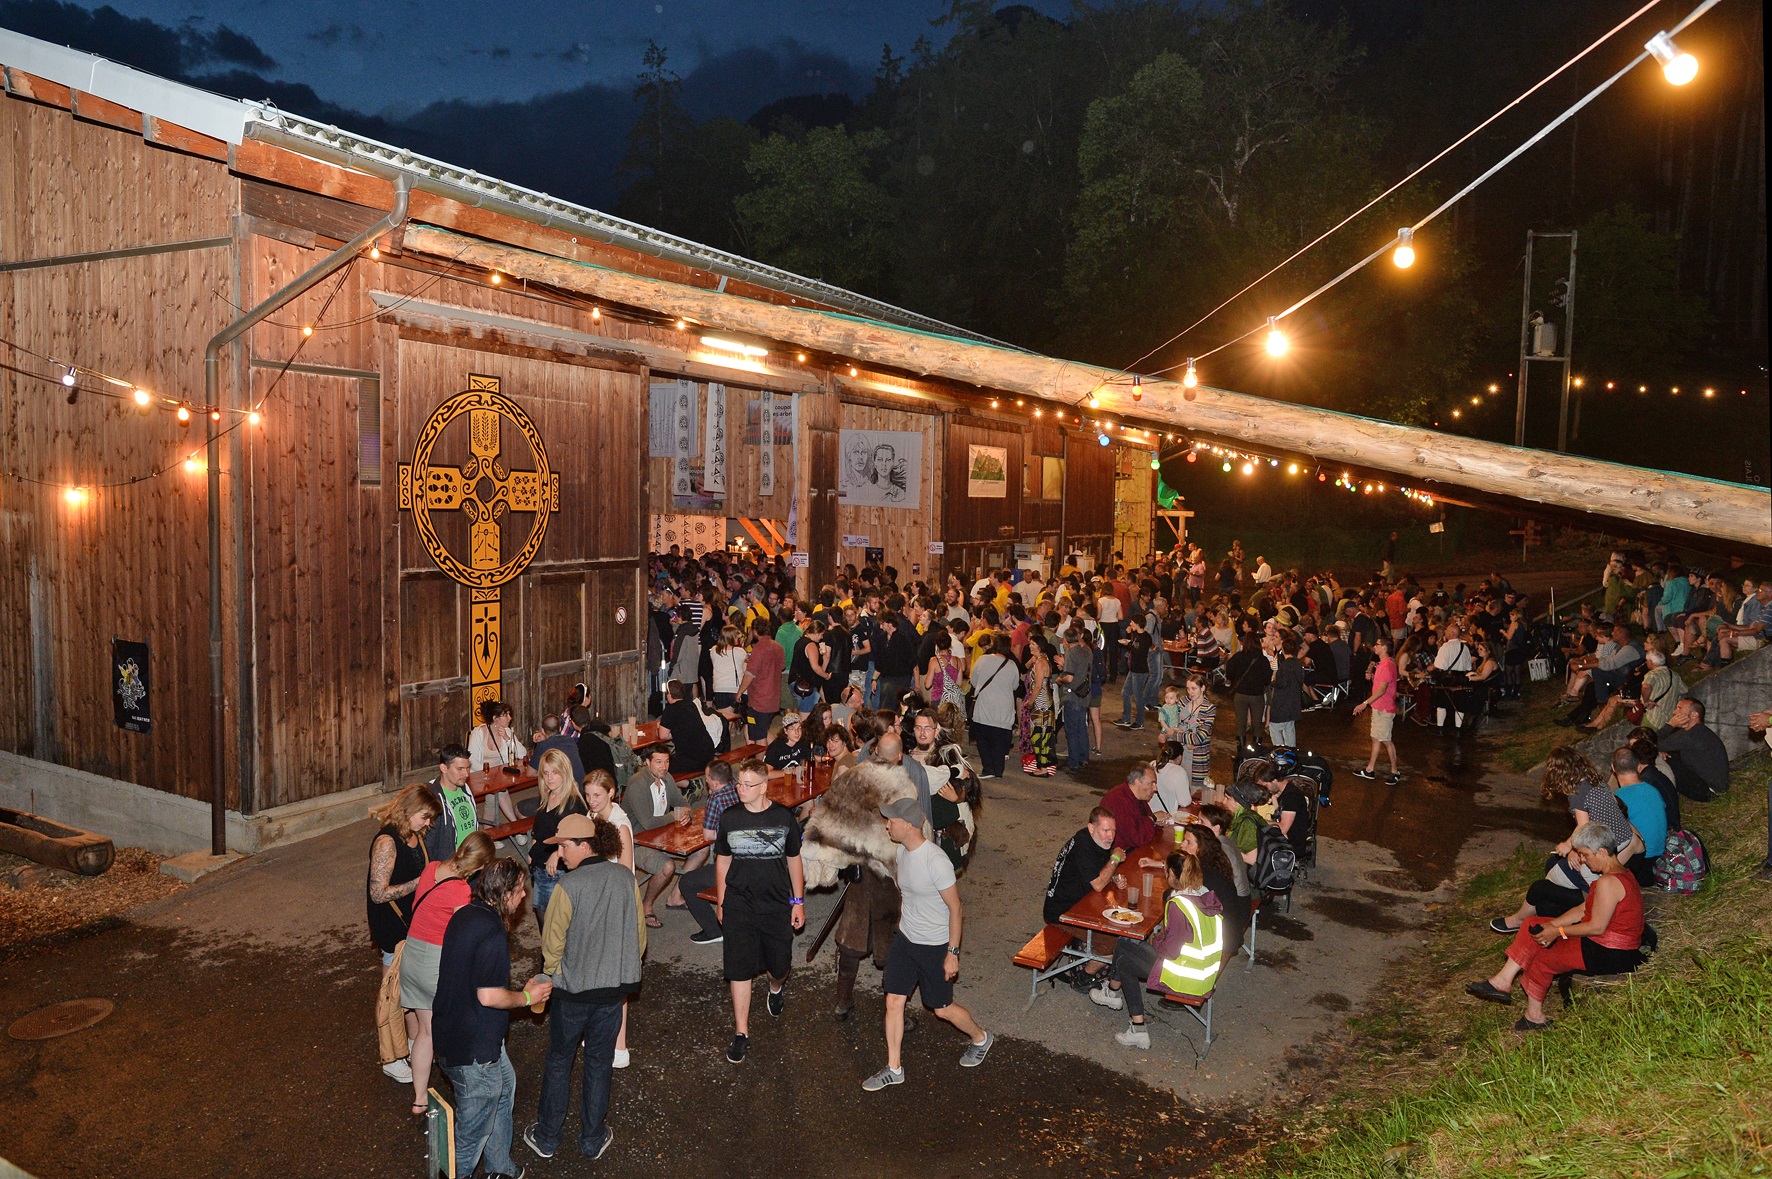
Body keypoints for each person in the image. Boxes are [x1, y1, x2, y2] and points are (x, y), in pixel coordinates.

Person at [523, 815, 642, 1164]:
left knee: (560, 1060)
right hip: (611, 991)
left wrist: (549, 978)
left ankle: (547, 1137)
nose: (560, 852)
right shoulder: (625, 878)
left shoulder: (568, 887)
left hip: (572, 993)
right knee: (598, 1062)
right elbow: (638, 936)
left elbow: (552, 945)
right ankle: (591, 1139)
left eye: (564, 845)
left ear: (584, 845)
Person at [861, 797, 994, 1090]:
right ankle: (894, 1068)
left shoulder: (936, 861)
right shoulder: (903, 852)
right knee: (893, 1000)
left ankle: (981, 1038)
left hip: (935, 946)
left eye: (891, 821)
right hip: (907, 941)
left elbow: (956, 908)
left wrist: (952, 953)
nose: (887, 825)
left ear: (907, 825)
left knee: (941, 1009)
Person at [433, 858, 552, 1178]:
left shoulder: (465, 914)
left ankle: (500, 1168)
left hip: (456, 1031)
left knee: (504, 1090)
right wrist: (528, 998)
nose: (524, 896)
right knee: (472, 1132)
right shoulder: (492, 933)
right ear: (505, 894)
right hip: (473, 1051)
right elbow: (489, 995)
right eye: (519, 891)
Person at [1466, 821, 1645, 1031]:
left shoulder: (1608, 883)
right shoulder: (1620, 874)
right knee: (1533, 924)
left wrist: (1557, 931)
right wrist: (1551, 925)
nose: (1582, 860)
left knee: (1542, 956)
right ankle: (1503, 981)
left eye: (1585, 855)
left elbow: (1597, 927)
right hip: (1605, 943)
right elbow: (1581, 910)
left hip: (1610, 951)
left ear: (1602, 852)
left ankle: (1534, 1016)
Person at [715, 757, 806, 1064]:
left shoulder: (783, 817)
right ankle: (741, 1032)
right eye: (739, 783)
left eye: (747, 784)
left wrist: (798, 901)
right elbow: (723, 860)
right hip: (740, 903)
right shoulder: (729, 818)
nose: (741, 789)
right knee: (739, 968)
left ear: (764, 786)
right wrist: (722, 901)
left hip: (776, 903)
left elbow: (794, 859)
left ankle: (776, 988)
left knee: (779, 965)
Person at [1088, 851, 1226, 1048]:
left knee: (1124, 947)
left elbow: (1169, 950)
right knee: (1126, 954)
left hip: (1185, 976)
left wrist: (1156, 940)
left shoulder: (1179, 905)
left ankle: (1114, 995)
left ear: (1171, 873)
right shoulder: (1204, 894)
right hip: (1205, 972)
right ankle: (1134, 1023)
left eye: (1165, 870)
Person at [401, 831, 495, 1117]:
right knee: (431, 1032)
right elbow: (461, 936)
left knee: (421, 1028)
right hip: (432, 960)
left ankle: (419, 1095)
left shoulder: (432, 868)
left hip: (412, 954)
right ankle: (438, 1095)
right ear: (481, 866)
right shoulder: (461, 892)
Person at [367, 785, 442, 1084]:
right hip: (393, 926)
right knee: (391, 994)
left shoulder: (415, 834)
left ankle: (412, 1048)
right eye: (424, 817)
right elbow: (377, 893)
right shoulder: (387, 841)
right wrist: (420, 882)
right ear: (409, 810)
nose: (427, 824)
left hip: (413, 923)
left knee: (409, 990)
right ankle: (391, 1058)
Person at [1044, 807, 1122, 989]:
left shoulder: (1095, 841)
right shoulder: (1083, 847)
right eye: (1105, 830)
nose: (1110, 836)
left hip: (1081, 905)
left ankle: (1081, 960)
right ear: (1091, 828)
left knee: (1117, 928)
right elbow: (1098, 884)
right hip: (1062, 913)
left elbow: (1100, 870)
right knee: (1115, 945)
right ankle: (1084, 976)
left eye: (1113, 831)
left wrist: (1114, 875)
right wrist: (1115, 859)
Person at [628, 744, 691, 928]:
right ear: (647, 762)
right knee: (667, 867)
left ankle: (676, 896)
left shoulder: (667, 778)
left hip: (662, 836)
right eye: (658, 762)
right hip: (636, 841)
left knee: (701, 851)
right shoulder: (637, 783)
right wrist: (675, 815)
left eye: (666, 761)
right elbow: (647, 822)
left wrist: (686, 813)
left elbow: (683, 803)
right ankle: (646, 906)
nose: (663, 766)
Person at [528, 750, 588, 922]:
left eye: (555, 772)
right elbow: (540, 829)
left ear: (565, 772)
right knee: (543, 918)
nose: (549, 778)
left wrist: (557, 853)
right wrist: (532, 850)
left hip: (557, 870)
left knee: (553, 922)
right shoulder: (548, 796)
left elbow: (579, 838)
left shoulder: (573, 803)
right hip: (539, 866)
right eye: (546, 773)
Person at [1610, 746, 1668, 884]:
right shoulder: (1653, 790)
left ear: (1613, 768)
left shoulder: (1618, 798)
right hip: (1660, 857)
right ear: (1638, 765)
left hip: (1641, 865)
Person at [968, 634, 1021, 779]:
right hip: (1004, 708)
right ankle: (998, 769)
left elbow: (973, 681)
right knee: (1000, 739)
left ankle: (988, 768)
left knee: (983, 738)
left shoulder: (983, 660)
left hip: (985, 705)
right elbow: (1015, 685)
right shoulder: (1011, 665)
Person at [1658, 697, 1730, 801]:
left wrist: (1670, 725)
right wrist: (1659, 748)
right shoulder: (1691, 731)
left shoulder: (1693, 735)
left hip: (1710, 791)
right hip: (1704, 783)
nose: (1674, 712)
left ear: (1694, 715)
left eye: (1679, 708)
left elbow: (1649, 743)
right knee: (1665, 756)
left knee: (1660, 759)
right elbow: (1655, 743)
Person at [469, 700, 529, 826]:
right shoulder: (478, 733)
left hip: (500, 777)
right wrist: (491, 774)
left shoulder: (507, 731)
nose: (510, 718)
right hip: (480, 775)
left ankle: (490, 832)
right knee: (499, 791)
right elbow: (472, 761)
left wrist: (508, 739)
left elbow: (522, 753)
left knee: (494, 794)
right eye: (505, 715)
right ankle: (515, 826)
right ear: (495, 718)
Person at [1352, 634, 1402, 784]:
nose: (1375, 646)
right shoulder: (1382, 664)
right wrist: (1370, 672)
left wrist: (1364, 703)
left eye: (1378, 644)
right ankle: (1369, 769)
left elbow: (1381, 690)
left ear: (1384, 648)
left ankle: (1395, 771)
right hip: (1379, 707)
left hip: (1384, 708)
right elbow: (1378, 684)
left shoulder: (1387, 666)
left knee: (1386, 740)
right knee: (1376, 738)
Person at [423, 743, 480, 863]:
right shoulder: (431, 798)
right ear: (444, 768)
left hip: (471, 860)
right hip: (449, 866)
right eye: (460, 769)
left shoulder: (466, 789)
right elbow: (427, 844)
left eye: (467, 768)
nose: (466, 774)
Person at [737, 617, 786, 742]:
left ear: (754, 631)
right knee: (764, 730)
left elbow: (750, 674)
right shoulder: (778, 646)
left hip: (759, 700)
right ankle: (774, 754)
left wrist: (740, 692)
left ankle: (761, 761)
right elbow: (781, 666)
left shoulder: (759, 648)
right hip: (773, 698)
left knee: (759, 738)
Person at [1101, 763, 1167, 853]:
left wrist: (1157, 821)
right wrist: (1153, 819)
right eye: (1152, 783)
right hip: (1120, 854)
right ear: (1137, 782)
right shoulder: (1119, 800)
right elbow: (1135, 838)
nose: (1155, 788)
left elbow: (1146, 820)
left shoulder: (1138, 796)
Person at [656, 678, 716, 776]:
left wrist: (661, 728)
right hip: (708, 754)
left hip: (692, 759)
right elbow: (686, 728)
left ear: (669, 695)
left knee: (659, 767)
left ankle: (688, 785)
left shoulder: (671, 710)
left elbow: (662, 736)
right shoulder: (691, 705)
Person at [1225, 631, 1271, 749]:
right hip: (1256, 695)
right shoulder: (1263, 660)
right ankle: (1256, 750)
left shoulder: (1238, 656)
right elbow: (1267, 679)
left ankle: (1241, 752)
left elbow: (1229, 671)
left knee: (1240, 724)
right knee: (1257, 725)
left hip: (1240, 694)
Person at [1059, 626, 1094, 771]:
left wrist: (1060, 680)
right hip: (1084, 694)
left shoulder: (1071, 654)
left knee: (1071, 730)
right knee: (1082, 728)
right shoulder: (1086, 651)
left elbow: (1069, 677)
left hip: (1072, 694)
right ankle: (1083, 757)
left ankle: (1073, 761)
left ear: (1066, 641)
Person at [1114, 615, 1155, 729]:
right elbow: (1134, 645)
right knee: (1125, 692)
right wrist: (1129, 637)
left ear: (1137, 623)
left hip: (1140, 671)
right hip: (1133, 670)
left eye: (1132, 622)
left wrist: (1129, 644)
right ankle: (1126, 718)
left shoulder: (1145, 637)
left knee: (1138, 697)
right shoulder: (1137, 635)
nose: (1130, 624)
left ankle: (1140, 721)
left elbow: (1139, 650)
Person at [1268, 631, 1305, 748]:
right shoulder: (1298, 664)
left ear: (1284, 650)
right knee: (1289, 728)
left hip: (1282, 703)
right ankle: (1291, 752)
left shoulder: (1285, 666)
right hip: (1294, 703)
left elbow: (1282, 683)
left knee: (1274, 728)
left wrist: (1273, 681)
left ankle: (1280, 752)